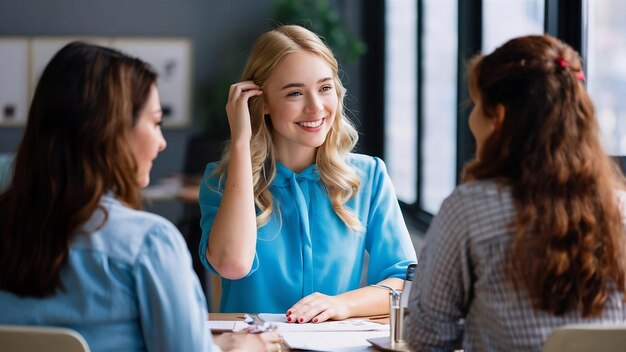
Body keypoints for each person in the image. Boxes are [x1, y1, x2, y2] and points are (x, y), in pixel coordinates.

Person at [0, 42, 280, 352]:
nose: (161, 143)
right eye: (156, 122)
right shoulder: (148, 244)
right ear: (113, 131)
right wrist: (249, 347)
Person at [405, 34, 626, 351]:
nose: (471, 118)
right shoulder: (620, 210)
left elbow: (426, 338)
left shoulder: (469, 209)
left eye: (476, 104)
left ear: (499, 116)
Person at [198, 25, 417, 322]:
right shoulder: (221, 182)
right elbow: (232, 265)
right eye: (295, 93)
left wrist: (343, 305)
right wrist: (240, 141)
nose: (316, 107)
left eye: (325, 88)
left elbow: (403, 281)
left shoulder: (370, 176)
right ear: (261, 103)